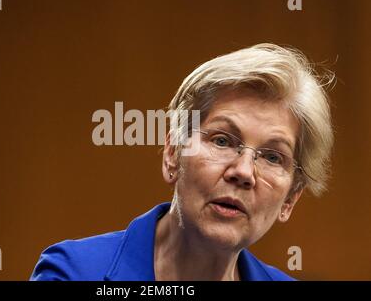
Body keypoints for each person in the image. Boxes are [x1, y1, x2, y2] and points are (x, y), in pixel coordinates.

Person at [30, 43, 334, 281]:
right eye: (222, 141)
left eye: (271, 157)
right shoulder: (74, 273)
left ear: (291, 199)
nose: (243, 171)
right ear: (173, 153)